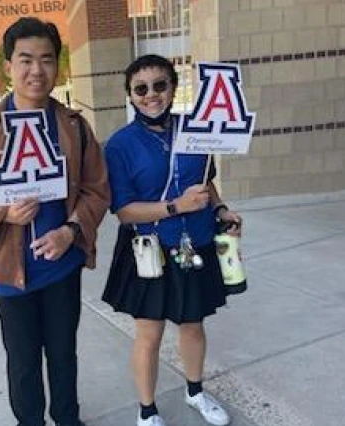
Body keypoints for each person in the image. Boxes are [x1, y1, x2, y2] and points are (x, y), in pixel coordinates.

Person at [0, 17, 110, 426]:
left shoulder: (74, 127)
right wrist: (3, 213)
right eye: (25, 60)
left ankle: (68, 418)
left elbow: (97, 190)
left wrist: (70, 232)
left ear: (57, 66)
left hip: (62, 266)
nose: (36, 70)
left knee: (62, 353)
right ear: (8, 66)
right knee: (22, 361)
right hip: (10, 272)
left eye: (46, 60)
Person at [102, 54, 242, 426]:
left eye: (160, 85)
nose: (152, 95)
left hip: (195, 242)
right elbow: (124, 210)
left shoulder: (195, 129)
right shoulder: (120, 145)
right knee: (149, 332)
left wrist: (221, 210)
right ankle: (147, 411)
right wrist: (175, 206)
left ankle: (195, 391)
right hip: (150, 249)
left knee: (193, 324)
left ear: (173, 87)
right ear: (130, 96)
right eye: (141, 88)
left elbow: (206, 182)